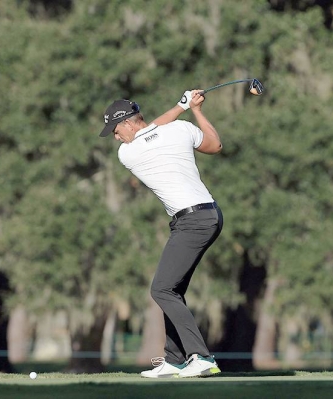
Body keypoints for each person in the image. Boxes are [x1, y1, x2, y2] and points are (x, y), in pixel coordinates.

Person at [99, 90, 224, 378]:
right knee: (173, 289)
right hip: (209, 215)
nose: (116, 138)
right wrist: (193, 110)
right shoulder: (181, 130)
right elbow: (215, 145)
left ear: (129, 124)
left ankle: (201, 357)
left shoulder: (128, 152)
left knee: (161, 290)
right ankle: (175, 359)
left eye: (116, 131)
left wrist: (180, 106)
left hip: (192, 222)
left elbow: (154, 128)